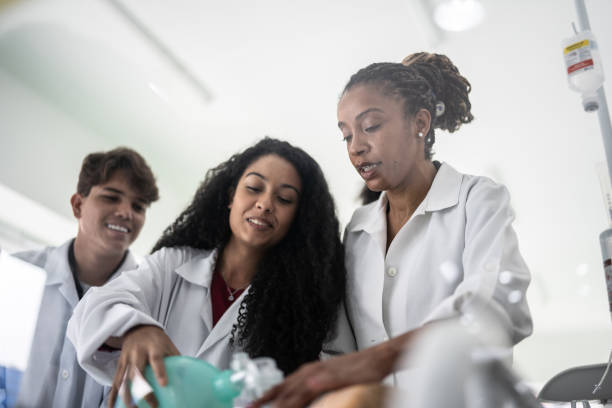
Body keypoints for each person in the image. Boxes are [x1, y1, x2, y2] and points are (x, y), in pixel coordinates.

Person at [254, 52, 533, 408]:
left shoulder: (477, 200)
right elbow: (341, 348)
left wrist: (379, 358)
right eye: (346, 136)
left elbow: (491, 309)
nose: (356, 147)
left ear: (420, 122)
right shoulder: (358, 230)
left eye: (370, 126)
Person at [66, 138, 354, 407]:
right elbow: (89, 312)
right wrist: (136, 329)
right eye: (254, 188)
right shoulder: (172, 265)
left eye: (285, 199)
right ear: (231, 196)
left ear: (297, 218)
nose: (265, 204)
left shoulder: (301, 309)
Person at [1, 147, 159, 408]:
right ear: (77, 205)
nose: (126, 212)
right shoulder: (18, 272)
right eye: (111, 197)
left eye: (138, 206)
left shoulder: (150, 301)